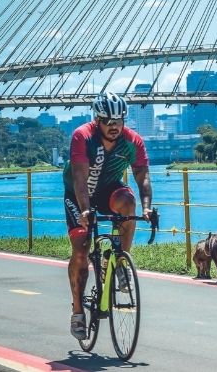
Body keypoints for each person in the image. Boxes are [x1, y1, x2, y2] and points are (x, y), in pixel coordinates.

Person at [63, 92, 153, 340]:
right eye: (108, 121)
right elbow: (80, 179)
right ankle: (78, 311)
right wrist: (84, 210)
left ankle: (121, 262)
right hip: (78, 194)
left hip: (108, 190)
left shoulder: (132, 141)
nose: (114, 126)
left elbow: (142, 176)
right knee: (81, 249)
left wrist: (147, 207)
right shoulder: (83, 136)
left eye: (118, 121)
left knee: (128, 202)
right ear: (97, 120)